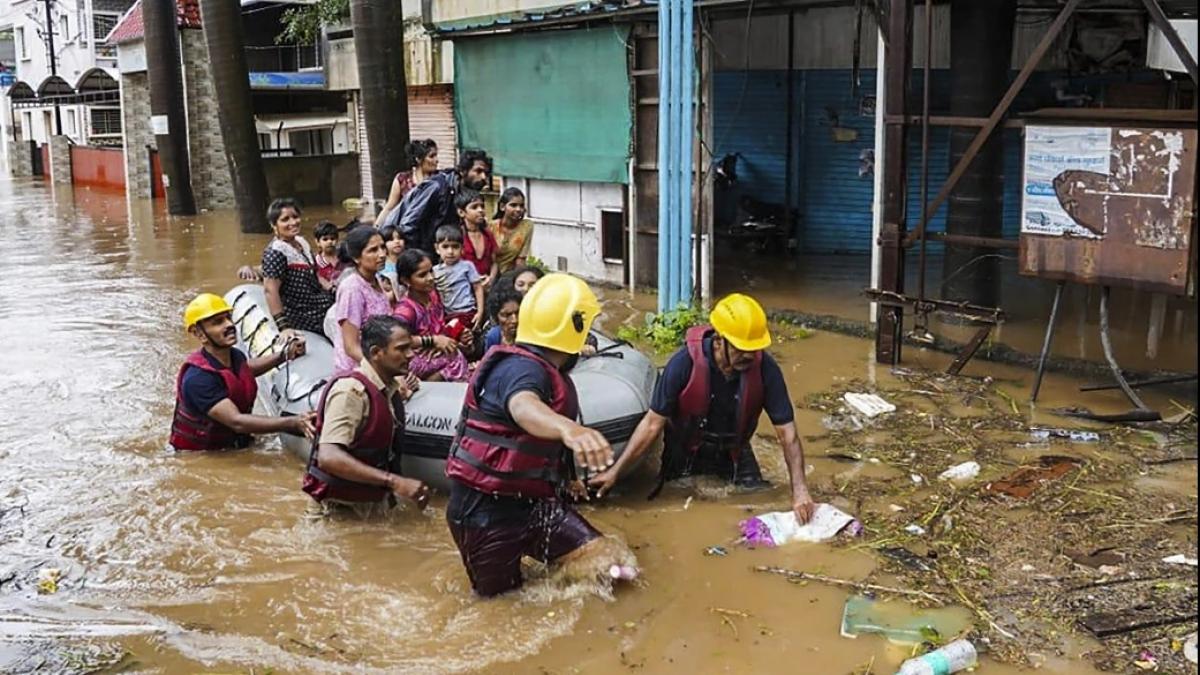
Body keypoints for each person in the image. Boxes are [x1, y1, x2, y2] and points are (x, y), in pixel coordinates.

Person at [445, 273, 621, 597]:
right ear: (574, 328)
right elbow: (523, 407)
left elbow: (541, 445)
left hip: (533, 505)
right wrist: (570, 429)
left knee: (610, 564)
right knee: (501, 604)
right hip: (485, 512)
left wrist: (569, 478)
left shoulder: (546, 370)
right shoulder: (520, 369)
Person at [587, 294, 817, 525]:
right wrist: (615, 472)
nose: (749, 355)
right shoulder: (683, 364)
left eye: (754, 348)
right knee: (675, 509)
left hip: (735, 450)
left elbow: (787, 434)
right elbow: (652, 424)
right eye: (740, 348)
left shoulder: (766, 370)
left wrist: (800, 491)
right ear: (719, 340)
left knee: (756, 500)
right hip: (684, 449)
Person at [303, 315, 431, 509]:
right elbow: (328, 457)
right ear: (376, 352)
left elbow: (377, 415)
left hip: (370, 503)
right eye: (402, 349)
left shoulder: (388, 389)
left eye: (410, 347)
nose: (411, 355)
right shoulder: (350, 392)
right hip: (338, 509)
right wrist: (394, 482)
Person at [171, 293, 314, 451]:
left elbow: (243, 371)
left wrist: (283, 355)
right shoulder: (198, 379)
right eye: (218, 322)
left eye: (228, 318)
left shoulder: (234, 355)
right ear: (199, 334)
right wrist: (294, 422)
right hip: (204, 454)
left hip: (233, 444)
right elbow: (237, 422)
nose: (229, 325)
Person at [391, 149, 493, 256]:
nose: (483, 177)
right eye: (478, 171)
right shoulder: (437, 187)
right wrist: (420, 259)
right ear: (463, 171)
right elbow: (408, 226)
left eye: (486, 173)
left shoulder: (466, 192)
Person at [392, 248, 471, 382]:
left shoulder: (433, 296)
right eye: (422, 275)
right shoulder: (406, 310)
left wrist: (458, 335)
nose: (430, 278)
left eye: (431, 271)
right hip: (415, 358)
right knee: (454, 358)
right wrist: (432, 341)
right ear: (406, 280)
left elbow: (438, 327)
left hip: (437, 350)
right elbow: (396, 340)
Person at [261, 198, 334, 336]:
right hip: (303, 314)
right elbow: (270, 290)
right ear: (274, 225)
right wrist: (284, 327)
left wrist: (332, 287)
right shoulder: (276, 252)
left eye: (295, 217)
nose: (293, 222)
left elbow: (315, 273)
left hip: (319, 303)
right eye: (285, 219)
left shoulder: (301, 243)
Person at [331, 226, 393, 376]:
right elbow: (351, 347)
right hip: (360, 370)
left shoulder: (376, 279)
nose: (382, 254)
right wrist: (383, 371)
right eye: (373, 250)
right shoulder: (352, 289)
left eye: (382, 247)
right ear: (356, 257)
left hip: (381, 359)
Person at [432, 225, 485, 335]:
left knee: (463, 337)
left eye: (455, 247)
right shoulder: (434, 271)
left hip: (467, 312)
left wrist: (480, 312)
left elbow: (478, 288)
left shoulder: (467, 266)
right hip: (447, 315)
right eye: (445, 247)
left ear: (462, 248)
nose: (450, 251)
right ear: (437, 249)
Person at [376, 139, 438, 227]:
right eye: (432, 156)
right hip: (406, 229)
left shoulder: (438, 180)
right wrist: (376, 228)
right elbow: (389, 208)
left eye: (436, 155)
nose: (437, 160)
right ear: (418, 159)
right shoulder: (402, 180)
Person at [456, 189, 499, 288]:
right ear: (461, 212)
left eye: (482, 206)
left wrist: (491, 279)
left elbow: (495, 262)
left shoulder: (487, 235)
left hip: (487, 286)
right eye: (474, 207)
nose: (480, 210)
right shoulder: (458, 236)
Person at [492, 187, 535, 274]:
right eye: (513, 205)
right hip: (488, 274)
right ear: (502, 207)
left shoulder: (526, 226)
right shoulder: (491, 227)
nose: (518, 209)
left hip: (509, 275)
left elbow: (521, 259)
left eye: (521, 206)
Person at [482, 285, 521, 352]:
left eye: (517, 313)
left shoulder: (529, 333)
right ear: (496, 316)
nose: (515, 320)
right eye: (507, 315)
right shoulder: (494, 336)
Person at [377, 222, 407, 302]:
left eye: (400, 238)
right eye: (391, 239)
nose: (397, 242)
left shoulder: (408, 262)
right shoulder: (381, 266)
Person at [313, 220, 341, 291]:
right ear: (317, 242)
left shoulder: (343, 257)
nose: (330, 242)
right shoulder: (316, 262)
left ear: (337, 240)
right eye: (325, 239)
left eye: (332, 238)